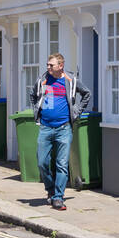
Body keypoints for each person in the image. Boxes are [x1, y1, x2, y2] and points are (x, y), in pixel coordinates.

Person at [30, 52, 91, 211]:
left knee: (62, 164)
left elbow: (86, 93)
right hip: (45, 127)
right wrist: (37, 111)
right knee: (42, 163)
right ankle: (50, 189)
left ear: (60, 66)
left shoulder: (70, 80)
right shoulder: (43, 79)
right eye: (48, 64)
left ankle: (58, 197)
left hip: (64, 128)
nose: (48, 67)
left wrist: (76, 112)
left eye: (51, 65)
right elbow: (33, 95)